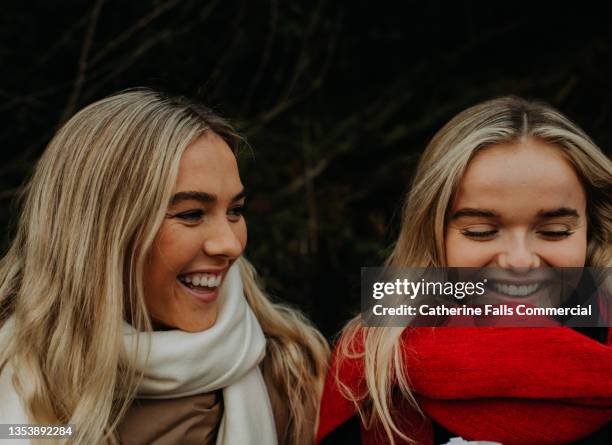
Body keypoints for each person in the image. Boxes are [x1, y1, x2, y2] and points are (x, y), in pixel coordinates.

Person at [0, 89, 329, 445]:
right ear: (101, 233)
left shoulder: (290, 378)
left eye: (235, 210)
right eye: (191, 214)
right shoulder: (16, 377)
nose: (230, 245)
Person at [317, 96, 612, 445]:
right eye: (480, 232)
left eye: (554, 232)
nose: (519, 261)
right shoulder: (371, 364)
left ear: (593, 231)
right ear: (432, 234)